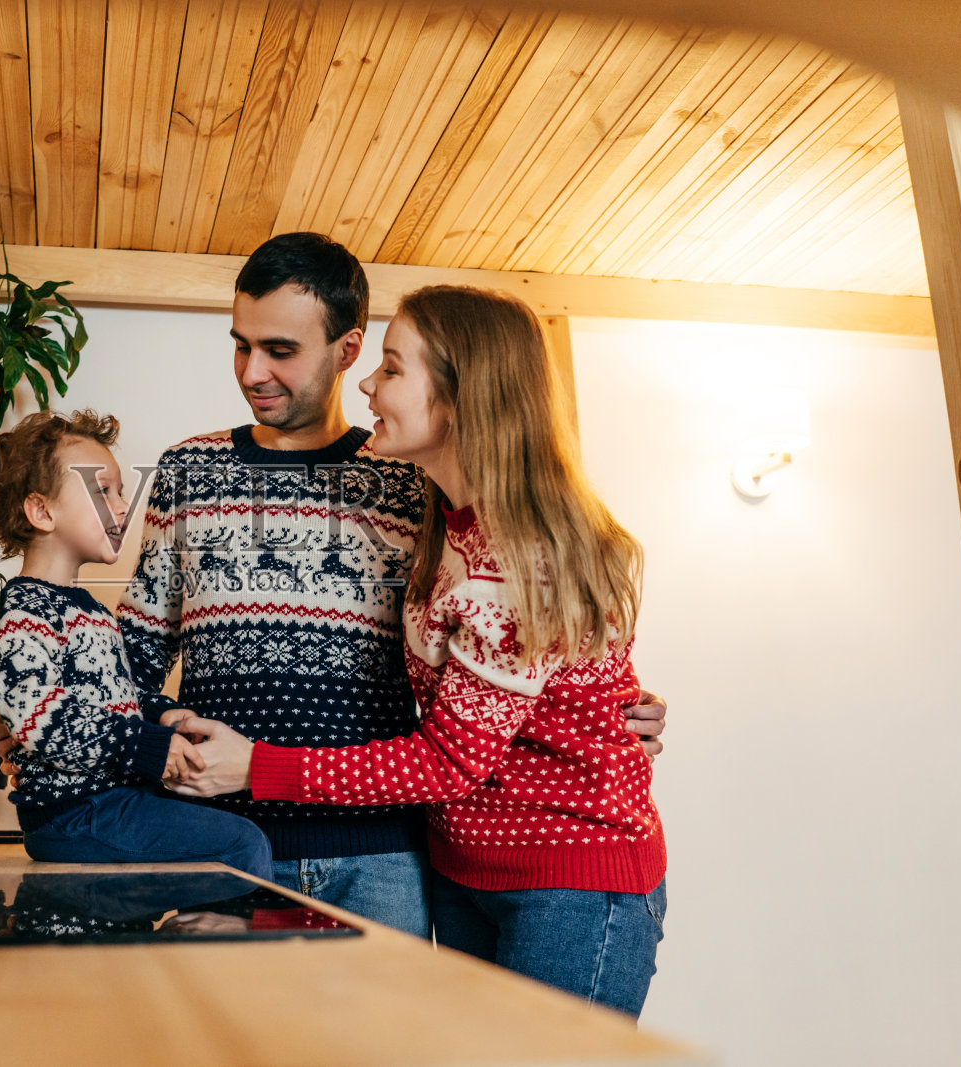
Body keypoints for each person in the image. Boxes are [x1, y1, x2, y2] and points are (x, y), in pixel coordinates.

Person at [111, 232, 666, 939]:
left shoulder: (416, 478)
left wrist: (605, 705)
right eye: (240, 345)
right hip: (219, 840)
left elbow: (519, 616)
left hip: (380, 855)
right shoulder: (188, 471)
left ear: (348, 350)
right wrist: (117, 726)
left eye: (280, 350)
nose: (252, 371)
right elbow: (129, 655)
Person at [0, 409, 272, 879]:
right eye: (102, 491)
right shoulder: (22, 614)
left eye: (121, 491)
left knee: (228, 824)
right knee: (241, 844)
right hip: (73, 814)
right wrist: (145, 744)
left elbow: (107, 699)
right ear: (42, 511)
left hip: (107, 802)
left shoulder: (89, 611)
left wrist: (161, 714)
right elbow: (44, 722)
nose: (124, 506)